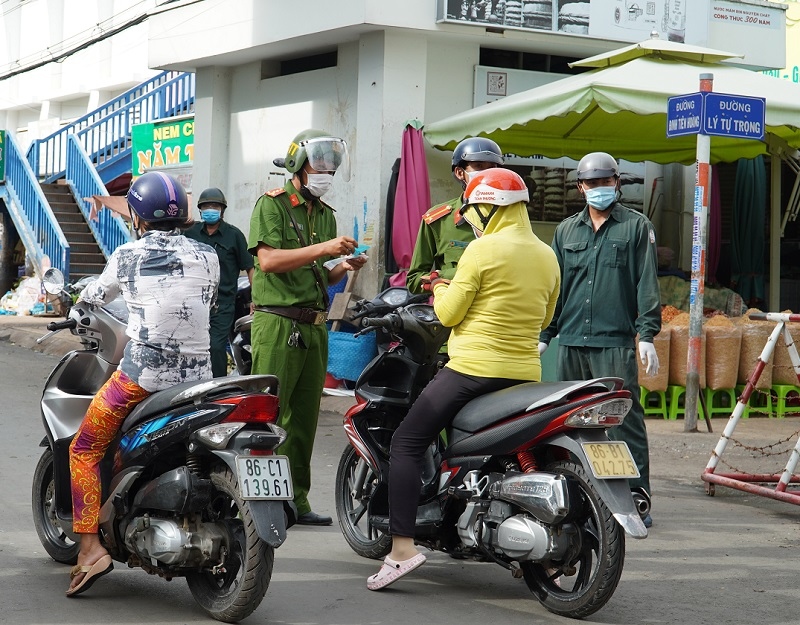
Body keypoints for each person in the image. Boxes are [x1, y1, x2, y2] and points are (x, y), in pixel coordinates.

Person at [367, 168, 560, 590]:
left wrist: (439, 287)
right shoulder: (547, 254)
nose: (471, 216)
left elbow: (447, 314)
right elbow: (545, 316)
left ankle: (401, 549)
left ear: (490, 207)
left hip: (472, 370)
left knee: (407, 441)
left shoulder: (482, 249)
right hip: (524, 373)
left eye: (474, 208)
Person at [67, 172, 219, 596]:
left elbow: (96, 296)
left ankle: (89, 548)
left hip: (142, 379)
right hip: (200, 380)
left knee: (84, 448)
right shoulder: (209, 255)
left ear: (137, 215)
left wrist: (78, 304)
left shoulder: (127, 256)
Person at [248, 129, 367, 526]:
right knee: (269, 415)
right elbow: (268, 262)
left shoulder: (326, 214)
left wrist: (341, 268)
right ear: (299, 165)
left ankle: (295, 501)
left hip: (315, 327)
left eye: (332, 166)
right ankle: (260, 501)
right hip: (278, 324)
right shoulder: (273, 205)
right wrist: (324, 249)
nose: (327, 173)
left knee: (303, 420)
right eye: (320, 165)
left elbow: (321, 277)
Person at [538, 151, 661, 528]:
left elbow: (646, 282)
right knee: (569, 421)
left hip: (615, 343)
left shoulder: (636, 227)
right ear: (580, 187)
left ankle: (637, 496)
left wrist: (646, 334)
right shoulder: (565, 231)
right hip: (572, 341)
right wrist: (546, 333)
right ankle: (576, 495)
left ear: (617, 184)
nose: (599, 189)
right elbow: (556, 287)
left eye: (605, 182)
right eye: (591, 184)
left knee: (624, 422)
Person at [406, 137, 504, 294]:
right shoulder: (438, 220)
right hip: (454, 312)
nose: (486, 174)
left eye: (492, 167)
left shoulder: (508, 215)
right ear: (460, 173)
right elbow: (414, 280)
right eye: (478, 166)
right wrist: (449, 276)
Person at [185, 187, 254, 377]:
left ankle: (216, 388)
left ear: (222, 209)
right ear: (200, 209)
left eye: (214, 206)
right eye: (206, 206)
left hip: (222, 304)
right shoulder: (190, 234)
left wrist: (255, 299)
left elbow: (250, 266)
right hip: (193, 303)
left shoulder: (234, 236)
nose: (210, 209)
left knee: (215, 347)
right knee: (192, 348)